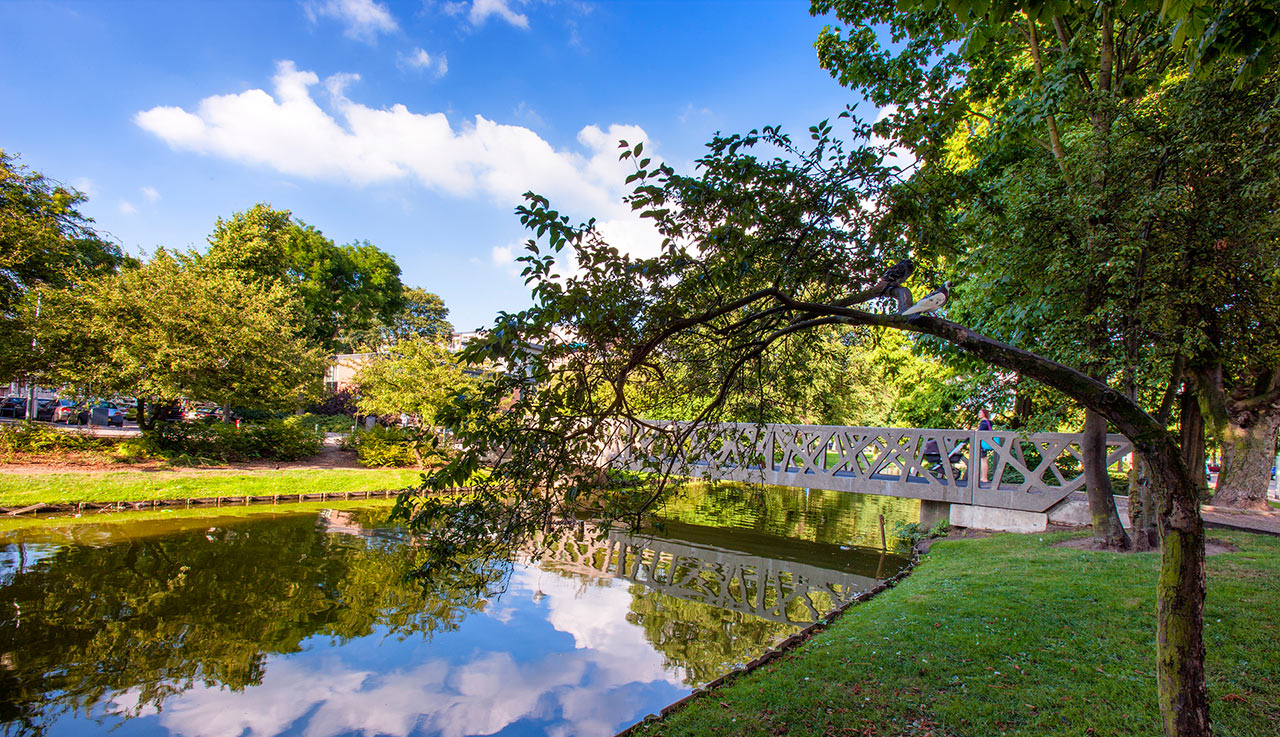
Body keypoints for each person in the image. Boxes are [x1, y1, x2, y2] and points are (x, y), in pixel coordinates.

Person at [977, 408, 994, 484]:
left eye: (980, 413)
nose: (979, 414)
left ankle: (984, 478)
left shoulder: (983, 422)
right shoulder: (988, 422)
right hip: (986, 441)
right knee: (984, 459)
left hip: (982, 442)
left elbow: (979, 433)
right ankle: (984, 477)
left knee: (983, 459)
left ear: (984, 414)